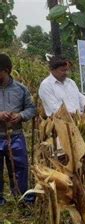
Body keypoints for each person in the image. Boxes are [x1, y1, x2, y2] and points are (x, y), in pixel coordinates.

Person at [0, 54, 36, 205]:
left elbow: (31, 109)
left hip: (15, 135)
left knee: (20, 167)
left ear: (7, 70)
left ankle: (22, 199)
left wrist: (20, 116)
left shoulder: (21, 89)